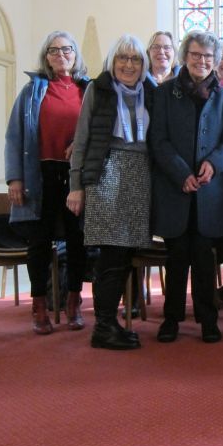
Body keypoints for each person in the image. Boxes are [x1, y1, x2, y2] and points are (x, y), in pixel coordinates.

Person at [150, 30, 223, 344]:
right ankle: (171, 319)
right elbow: (158, 140)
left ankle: (208, 320)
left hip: (208, 193)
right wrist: (180, 173)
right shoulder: (165, 93)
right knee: (176, 260)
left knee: (204, 261)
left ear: (215, 60)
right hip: (174, 190)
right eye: (196, 55)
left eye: (208, 56)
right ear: (185, 57)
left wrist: (213, 163)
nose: (202, 61)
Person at [67, 35, 154, 350]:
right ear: (112, 61)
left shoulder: (151, 92)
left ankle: (110, 323)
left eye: (135, 59)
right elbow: (82, 140)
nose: (128, 65)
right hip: (107, 173)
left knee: (127, 254)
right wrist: (76, 186)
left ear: (143, 64)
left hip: (140, 175)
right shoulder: (98, 89)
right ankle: (103, 327)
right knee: (111, 254)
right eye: (122, 58)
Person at [5, 30, 89, 334]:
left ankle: (73, 302)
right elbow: (14, 135)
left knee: (77, 240)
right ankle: (39, 305)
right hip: (39, 174)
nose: (61, 54)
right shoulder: (33, 90)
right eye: (54, 50)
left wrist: (80, 144)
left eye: (67, 49)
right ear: (46, 57)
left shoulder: (88, 90)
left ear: (75, 55)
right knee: (38, 242)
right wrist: (15, 177)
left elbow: (98, 130)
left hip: (76, 175)